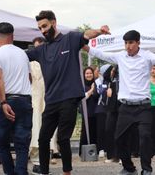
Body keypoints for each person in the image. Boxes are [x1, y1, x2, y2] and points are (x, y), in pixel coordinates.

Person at [26, 10, 109, 175]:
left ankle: (67, 172)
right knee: (43, 139)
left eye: (45, 26)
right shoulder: (41, 50)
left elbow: (86, 34)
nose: (42, 30)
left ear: (54, 23)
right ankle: (44, 171)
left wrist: (99, 31)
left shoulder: (69, 39)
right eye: (40, 28)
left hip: (69, 99)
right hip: (51, 101)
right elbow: (20, 56)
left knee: (63, 138)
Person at [84, 30, 155, 175]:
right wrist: (83, 45)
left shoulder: (147, 56)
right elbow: (100, 54)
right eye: (126, 43)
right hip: (125, 107)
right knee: (118, 139)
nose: (128, 46)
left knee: (144, 137)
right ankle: (129, 168)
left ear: (138, 43)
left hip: (144, 106)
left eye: (131, 43)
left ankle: (146, 169)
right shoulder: (120, 56)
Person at [0, 22, 32, 175]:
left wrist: (3, 102)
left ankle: (10, 173)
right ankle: (21, 172)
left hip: (6, 100)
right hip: (24, 99)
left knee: (2, 144)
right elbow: (29, 78)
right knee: (22, 144)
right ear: (13, 36)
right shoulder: (23, 54)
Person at [29, 37, 59, 174]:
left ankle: (48, 156)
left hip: (50, 98)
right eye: (36, 46)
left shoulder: (52, 60)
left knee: (49, 128)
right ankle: (36, 160)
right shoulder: (30, 63)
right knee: (36, 127)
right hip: (35, 98)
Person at [79, 67, 99, 156]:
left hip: (95, 112)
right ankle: (83, 153)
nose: (89, 75)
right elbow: (83, 97)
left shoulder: (96, 84)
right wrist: (91, 90)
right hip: (86, 112)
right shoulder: (81, 85)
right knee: (85, 133)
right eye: (87, 73)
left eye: (90, 73)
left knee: (94, 132)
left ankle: (94, 152)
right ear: (84, 75)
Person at [103, 65, 120, 163]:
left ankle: (121, 156)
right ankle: (111, 156)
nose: (112, 71)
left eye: (113, 70)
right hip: (111, 108)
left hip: (121, 106)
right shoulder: (110, 80)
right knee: (109, 130)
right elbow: (105, 76)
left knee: (120, 132)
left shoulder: (122, 78)